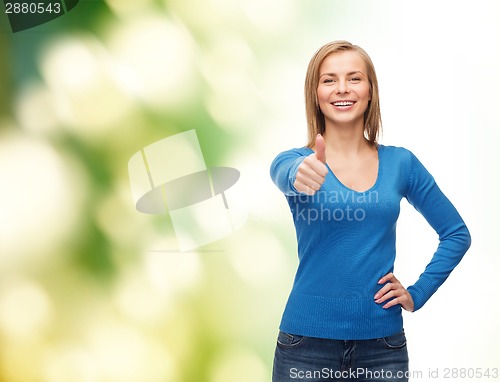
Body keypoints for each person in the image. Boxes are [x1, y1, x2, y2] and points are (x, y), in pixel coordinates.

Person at [269, 40, 471, 382]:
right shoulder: (295, 161)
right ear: (315, 93)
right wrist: (299, 174)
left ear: (370, 90)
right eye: (329, 79)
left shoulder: (401, 163)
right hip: (305, 346)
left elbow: (456, 234)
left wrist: (417, 293)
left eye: (354, 78)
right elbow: (284, 174)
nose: (342, 89)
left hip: (382, 348)